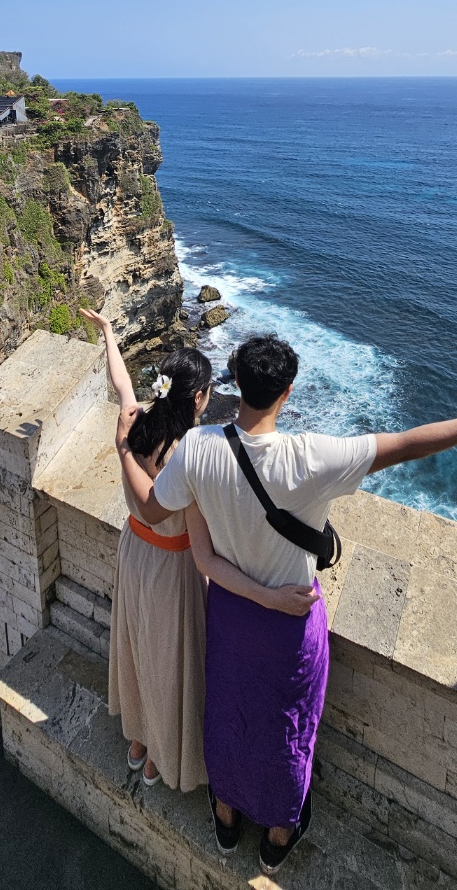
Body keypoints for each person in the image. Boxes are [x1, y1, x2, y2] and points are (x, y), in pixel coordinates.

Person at [119, 333, 457, 875]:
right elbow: (409, 443)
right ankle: (276, 835)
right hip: (290, 625)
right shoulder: (311, 457)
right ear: (288, 392)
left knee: (226, 712)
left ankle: (224, 817)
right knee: (287, 727)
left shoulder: (199, 447)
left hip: (228, 614)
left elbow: (153, 512)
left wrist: (126, 449)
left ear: (235, 383)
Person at [80, 310, 316, 798]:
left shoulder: (137, 423)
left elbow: (122, 383)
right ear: (202, 397)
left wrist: (109, 333)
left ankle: (138, 742)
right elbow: (168, 514)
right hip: (171, 564)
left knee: (138, 644)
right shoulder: (188, 452)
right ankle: (159, 760)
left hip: (134, 554)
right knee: (171, 662)